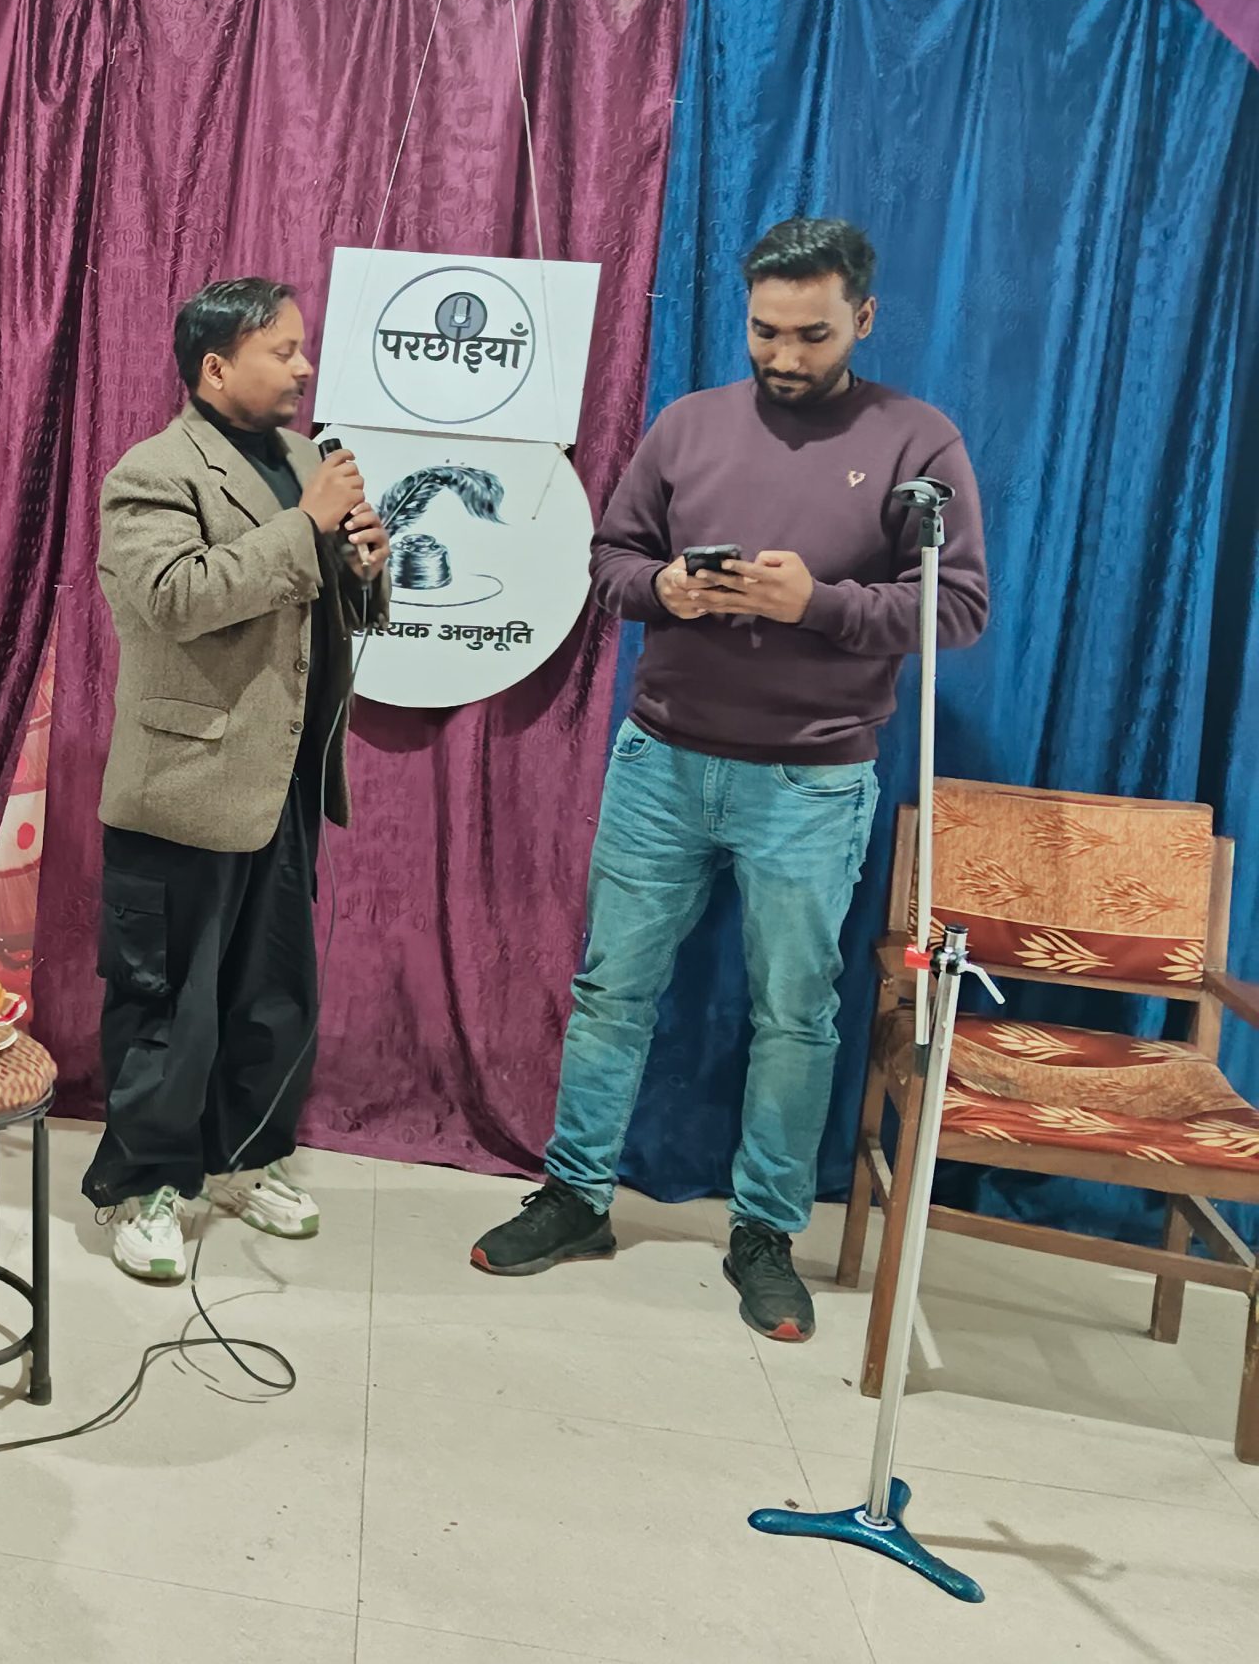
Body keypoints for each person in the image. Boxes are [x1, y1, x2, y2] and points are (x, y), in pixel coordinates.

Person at [471, 217, 990, 1345]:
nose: (783, 355)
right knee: (611, 990)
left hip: (811, 782)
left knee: (794, 1015)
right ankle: (576, 1195)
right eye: (764, 330)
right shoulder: (688, 423)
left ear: (863, 317)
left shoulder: (917, 440)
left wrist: (818, 603)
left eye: (811, 334)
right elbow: (609, 562)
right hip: (661, 761)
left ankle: (764, 1232)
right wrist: (665, 588)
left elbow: (957, 608)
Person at [85, 278, 392, 1283]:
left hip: (284, 776)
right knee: (168, 1000)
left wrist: (364, 566)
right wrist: (308, 529)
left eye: (303, 348)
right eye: (283, 350)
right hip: (184, 781)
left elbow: (322, 599)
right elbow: (178, 597)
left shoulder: (304, 462)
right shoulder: (152, 472)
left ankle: (244, 1158)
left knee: (272, 992)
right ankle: (143, 1184)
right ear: (215, 367)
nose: (304, 367)